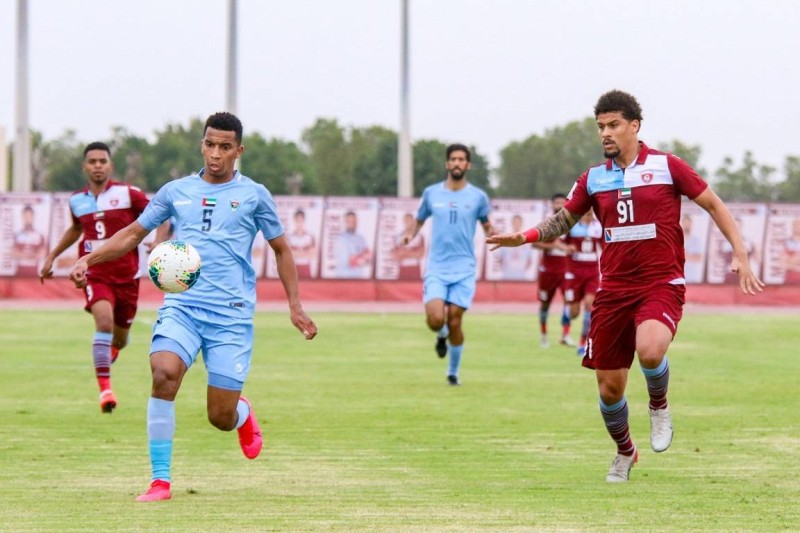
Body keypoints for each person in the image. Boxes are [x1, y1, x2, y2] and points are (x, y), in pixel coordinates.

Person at [487, 90, 763, 482]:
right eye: (601, 127)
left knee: (650, 351)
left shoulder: (668, 167)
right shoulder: (593, 178)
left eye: (614, 125)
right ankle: (625, 451)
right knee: (609, 390)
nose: (606, 133)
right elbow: (562, 220)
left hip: (660, 283)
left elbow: (715, 205)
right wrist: (526, 236)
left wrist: (741, 253)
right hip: (613, 291)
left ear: (635, 126)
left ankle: (659, 406)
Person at [68, 112, 318, 502]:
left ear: (238, 150)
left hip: (231, 315)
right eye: (209, 144)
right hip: (183, 307)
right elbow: (134, 233)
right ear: (201, 144)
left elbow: (281, 249)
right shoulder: (175, 191)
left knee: (219, 417)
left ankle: (242, 415)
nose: (215, 153)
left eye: (224, 146)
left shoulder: (254, 195)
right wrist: (89, 259)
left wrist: (295, 306)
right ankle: (160, 481)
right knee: (163, 372)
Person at [40, 142, 150, 413]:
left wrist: (158, 238)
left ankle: (108, 354)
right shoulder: (77, 200)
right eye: (92, 161)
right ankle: (106, 391)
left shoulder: (129, 194)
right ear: (85, 167)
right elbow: (76, 228)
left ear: (110, 165)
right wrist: (52, 256)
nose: (98, 165)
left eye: (102, 161)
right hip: (95, 273)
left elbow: (156, 214)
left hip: (127, 276)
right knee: (103, 323)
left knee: (121, 339)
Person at [403, 143, 493, 386]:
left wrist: (497, 238)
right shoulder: (432, 193)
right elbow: (419, 220)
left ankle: (452, 372)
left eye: (461, 159)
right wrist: (410, 235)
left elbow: (487, 225)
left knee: (455, 319)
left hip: (464, 268)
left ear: (468, 165)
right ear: (447, 163)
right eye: (453, 159)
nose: (457, 163)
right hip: (437, 268)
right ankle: (440, 334)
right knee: (435, 319)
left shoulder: (477, 197)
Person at [531, 193, 574, 348]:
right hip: (548, 271)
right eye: (557, 203)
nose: (559, 205)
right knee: (545, 304)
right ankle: (543, 336)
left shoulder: (572, 224)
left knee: (569, 302)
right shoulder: (547, 224)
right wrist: (553, 246)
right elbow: (534, 244)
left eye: (563, 202)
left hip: (566, 270)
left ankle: (566, 334)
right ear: (552, 205)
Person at [563, 210, 602, 356]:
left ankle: (582, 343)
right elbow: (561, 243)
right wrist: (567, 248)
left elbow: (605, 246)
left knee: (589, 304)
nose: (590, 215)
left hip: (592, 273)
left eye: (592, 212)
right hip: (574, 274)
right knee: (573, 312)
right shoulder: (572, 226)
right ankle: (565, 323)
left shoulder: (598, 227)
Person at [334, 211, 372, 278]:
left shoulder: (361, 238)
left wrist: (360, 258)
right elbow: (350, 262)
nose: (353, 223)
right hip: (344, 277)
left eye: (355, 221)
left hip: (358, 277)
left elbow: (369, 258)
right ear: (346, 222)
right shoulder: (341, 239)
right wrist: (362, 257)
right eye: (351, 221)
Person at [12, 204, 47, 277]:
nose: (27, 219)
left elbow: (42, 254)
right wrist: (32, 255)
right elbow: (14, 253)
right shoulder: (16, 235)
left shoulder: (40, 235)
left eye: (29, 216)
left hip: (34, 274)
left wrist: (23, 254)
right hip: (19, 274)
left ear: (33, 217)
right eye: (25, 216)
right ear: (22, 217)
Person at [496, 214, 534, 280]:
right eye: (515, 222)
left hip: (521, 276)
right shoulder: (506, 239)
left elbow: (530, 260)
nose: (516, 224)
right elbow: (500, 259)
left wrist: (522, 269)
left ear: (521, 223)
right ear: (512, 223)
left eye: (518, 222)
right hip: (507, 275)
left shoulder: (526, 241)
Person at [390, 212, 426, 280]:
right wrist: (413, 252)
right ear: (403, 221)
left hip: (415, 267)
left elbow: (420, 254)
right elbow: (395, 256)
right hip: (402, 268)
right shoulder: (397, 237)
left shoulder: (420, 237)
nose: (408, 222)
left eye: (410, 220)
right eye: (406, 220)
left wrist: (403, 252)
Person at [287, 209, 317, 279]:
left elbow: (313, 254)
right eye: (297, 220)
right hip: (293, 268)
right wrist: (305, 252)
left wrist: (296, 253)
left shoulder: (310, 237)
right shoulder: (289, 238)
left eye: (301, 220)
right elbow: (288, 255)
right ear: (294, 221)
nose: (299, 223)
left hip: (306, 268)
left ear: (304, 221)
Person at [681, 213, 705, 283]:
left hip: (692, 277)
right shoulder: (677, 240)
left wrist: (685, 255)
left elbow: (699, 258)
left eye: (688, 223)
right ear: (682, 224)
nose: (687, 225)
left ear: (691, 224)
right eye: (685, 223)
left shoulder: (696, 240)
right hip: (679, 277)